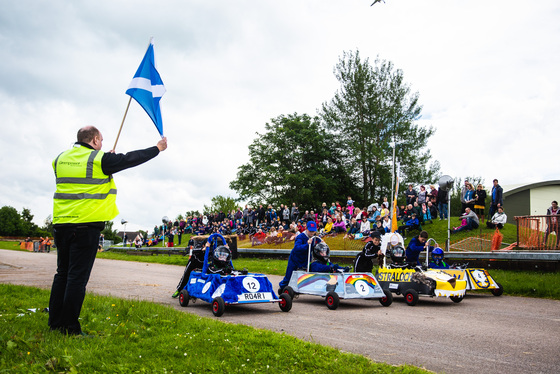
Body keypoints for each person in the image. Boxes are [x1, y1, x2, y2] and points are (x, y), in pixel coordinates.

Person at [48, 126, 167, 335]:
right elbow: (131, 158)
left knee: (62, 274)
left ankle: (55, 322)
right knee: (77, 278)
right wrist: (157, 148)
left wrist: (105, 159)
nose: (102, 144)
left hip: (60, 224)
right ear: (94, 139)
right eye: (101, 140)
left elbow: (83, 174)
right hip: (85, 226)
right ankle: (70, 328)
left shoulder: (59, 158)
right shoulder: (98, 159)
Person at [278, 221, 321, 291]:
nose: (312, 233)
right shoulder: (300, 237)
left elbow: (318, 244)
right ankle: (282, 287)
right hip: (295, 258)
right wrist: (307, 244)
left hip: (306, 259)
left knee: (305, 275)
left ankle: (300, 288)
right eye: (310, 231)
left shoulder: (316, 237)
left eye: (313, 231)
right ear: (306, 229)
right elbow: (297, 248)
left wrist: (321, 243)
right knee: (289, 276)